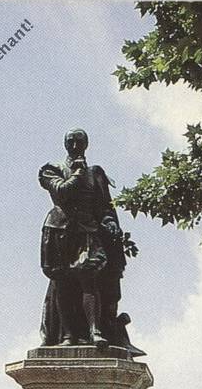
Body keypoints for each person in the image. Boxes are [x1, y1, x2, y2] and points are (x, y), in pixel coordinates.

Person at [38, 129, 143, 355]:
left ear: (86, 145)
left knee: (89, 276)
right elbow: (62, 192)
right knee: (63, 282)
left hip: (88, 230)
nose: (76, 145)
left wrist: (109, 222)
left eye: (80, 141)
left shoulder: (96, 173)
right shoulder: (51, 170)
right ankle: (67, 335)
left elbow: (105, 205)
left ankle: (96, 330)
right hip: (60, 231)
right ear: (65, 144)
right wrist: (77, 171)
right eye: (71, 141)